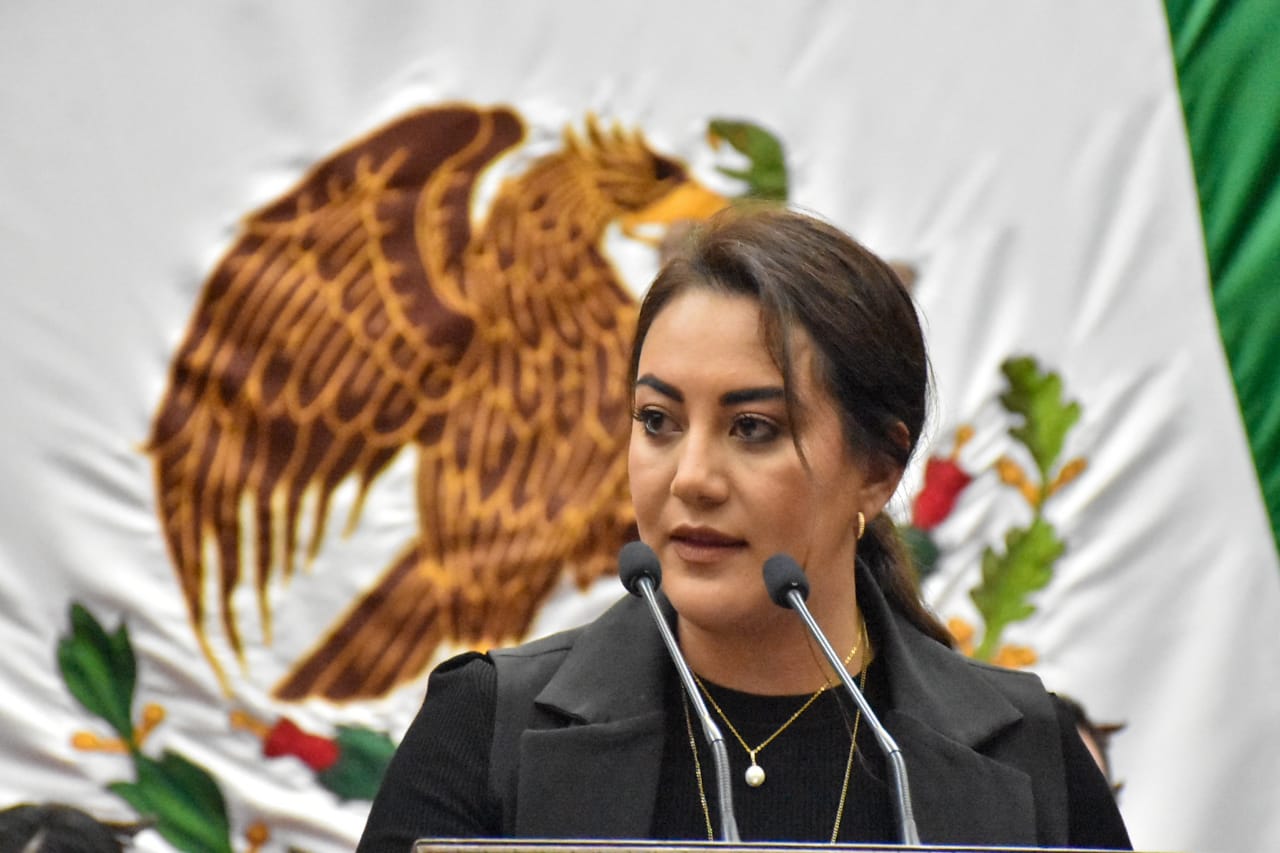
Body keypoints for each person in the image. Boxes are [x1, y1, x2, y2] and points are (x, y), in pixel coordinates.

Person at [358, 206, 1132, 850]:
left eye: (753, 427)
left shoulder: (1026, 756)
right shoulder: (488, 729)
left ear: (880, 468)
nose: (691, 476)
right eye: (657, 420)